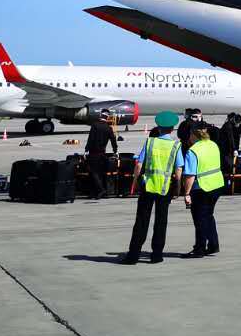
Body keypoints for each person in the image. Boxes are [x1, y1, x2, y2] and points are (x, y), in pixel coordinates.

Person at [121, 111, 185, 265]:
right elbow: (178, 170)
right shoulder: (176, 145)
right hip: (165, 188)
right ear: (172, 129)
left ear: (158, 127)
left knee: (141, 221)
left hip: (148, 187)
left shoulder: (150, 142)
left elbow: (139, 164)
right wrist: (177, 188)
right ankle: (156, 255)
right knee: (161, 222)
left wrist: (135, 182)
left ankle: (133, 255)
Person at [182, 124, 224, 257]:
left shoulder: (193, 151)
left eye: (190, 134)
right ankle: (213, 244)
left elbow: (190, 175)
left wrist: (187, 193)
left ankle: (199, 248)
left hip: (202, 187)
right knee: (208, 216)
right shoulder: (213, 144)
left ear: (194, 135)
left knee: (199, 219)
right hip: (217, 185)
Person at [85, 109, 119, 200]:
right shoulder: (108, 128)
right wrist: (115, 151)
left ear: (100, 115)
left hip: (93, 153)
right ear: (107, 117)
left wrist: (86, 149)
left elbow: (91, 139)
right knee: (99, 173)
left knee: (93, 172)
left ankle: (100, 190)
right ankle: (94, 193)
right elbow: (113, 140)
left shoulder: (95, 125)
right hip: (102, 154)